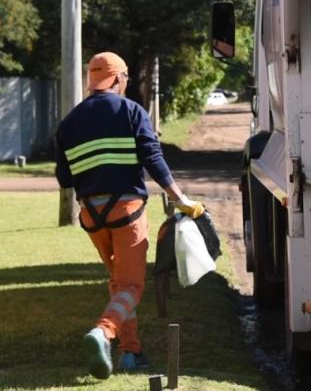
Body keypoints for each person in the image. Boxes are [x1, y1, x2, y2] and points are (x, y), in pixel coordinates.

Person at [55, 52, 205, 379]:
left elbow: (65, 179)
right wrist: (180, 200)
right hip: (127, 213)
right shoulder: (132, 111)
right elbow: (154, 160)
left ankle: (131, 352)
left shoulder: (69, 123)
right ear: (118, 78)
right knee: (132, 286)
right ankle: (103, 332)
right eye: (124, 78)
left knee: (119, 284)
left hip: (93, 217)